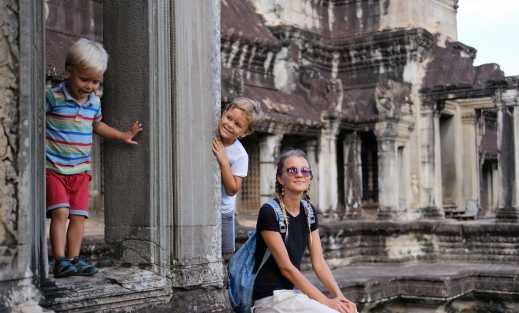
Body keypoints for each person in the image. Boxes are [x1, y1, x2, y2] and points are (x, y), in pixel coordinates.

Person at [46, 38, 143, 277]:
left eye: (96, 81)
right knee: (60, 213)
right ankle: (59, 260)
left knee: (79, 217)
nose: (90, 86)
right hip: (55, 168)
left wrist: (122, 135)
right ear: (69, 71)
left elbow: (96, 125)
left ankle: (73, 258)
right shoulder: (53, 97)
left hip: (81, 171)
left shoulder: (93, 102)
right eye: (84, 79)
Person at [252, 149, 357, 313]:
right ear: (280, 178)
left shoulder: (309, 211)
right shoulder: (269, 212)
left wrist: (340, 298)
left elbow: (319, 263)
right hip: (269, 299)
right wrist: (326, 302)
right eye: (292, 170)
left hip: (290, 296)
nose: (299, 174)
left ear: (309, 178)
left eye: (305, 171)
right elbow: (287, 268)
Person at [212, 97, 257, 256]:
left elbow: (233, 190)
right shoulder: (210, 135)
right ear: (223, 113)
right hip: (203, 208)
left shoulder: (240, 155)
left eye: (238, 125)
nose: (230, 125)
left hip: (224, 212)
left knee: (224, 257)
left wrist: (224, 162)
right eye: (229, 118)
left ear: (245, 132)